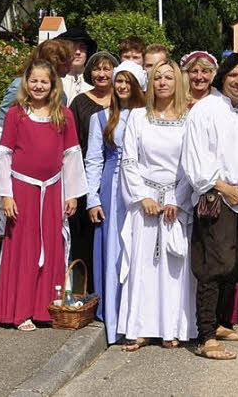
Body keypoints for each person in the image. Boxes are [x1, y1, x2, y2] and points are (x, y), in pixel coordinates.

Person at [183, 52, 238, 360]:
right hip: (215, 197)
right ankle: (206, 333)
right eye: (234, 75)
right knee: (213, 265)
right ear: (223, 77)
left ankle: (222, 322)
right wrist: (224, 188)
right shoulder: (205, 110)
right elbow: (195, 158)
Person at [0, 59, 87, 331]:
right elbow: (5, 154)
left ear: (53, 84)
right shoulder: (16, 115)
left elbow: (71, 156)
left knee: (52, 246)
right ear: (26, 82)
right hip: (23, 190)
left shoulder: (63, 114)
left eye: (44, 81)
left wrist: (72, 195)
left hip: (54, 189)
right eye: (34, 81)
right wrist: (6, 195)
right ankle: (20, 311)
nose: (38, 86)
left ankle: (46, 308)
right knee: (25, 248)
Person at [117, 59, 195, 351]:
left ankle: (171, 327)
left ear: (178, 83)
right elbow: (129, 160)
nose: (162, 82)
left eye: (168, 78)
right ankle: (139, 328)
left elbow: (191, 164)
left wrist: (179, 199)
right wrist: (142, 197)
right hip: (145, 201)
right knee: (143, 266)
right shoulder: (138, 117)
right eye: (157, 77)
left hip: (176, 201)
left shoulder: (189, 119)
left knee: (173, 268)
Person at [85, 61, 147, 345]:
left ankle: (140, 315)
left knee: (138, 248)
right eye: (118, 81)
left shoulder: (146, 116)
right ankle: (114, 313)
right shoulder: (100, 118)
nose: (121, 86)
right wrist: (92, 198)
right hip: (112, 186)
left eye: (127, 81)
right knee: (115, 249)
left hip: (141, 186)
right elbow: (94, 160)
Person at [69, 51, 120, 292]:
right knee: (84, 236)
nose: (101, 74)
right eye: (97, 69)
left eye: (107, 69)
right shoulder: (80, 102)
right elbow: (71, 140)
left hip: (114, 175)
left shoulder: (122, 101)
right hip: (85, 173)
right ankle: (85, 291)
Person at [0, 39, 75, 143]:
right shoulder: (19, 86)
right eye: (66, 64)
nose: (70, 68)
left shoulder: (60, 94)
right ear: (55, 64)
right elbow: (1, 123)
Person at [56, 27, 98, 102]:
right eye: (73, 48)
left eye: (82, 48)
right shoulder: (55, 79)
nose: (78, 52)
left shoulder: (95, 80)